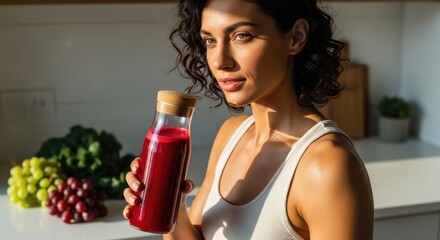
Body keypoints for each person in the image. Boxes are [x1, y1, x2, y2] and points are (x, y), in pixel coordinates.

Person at [123, 0, 374, 239]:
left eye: (241, 36)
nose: (220, 61)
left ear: (296, 37)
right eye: (210, 40)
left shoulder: (327, 165)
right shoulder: (231, 134)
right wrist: (170, 203)